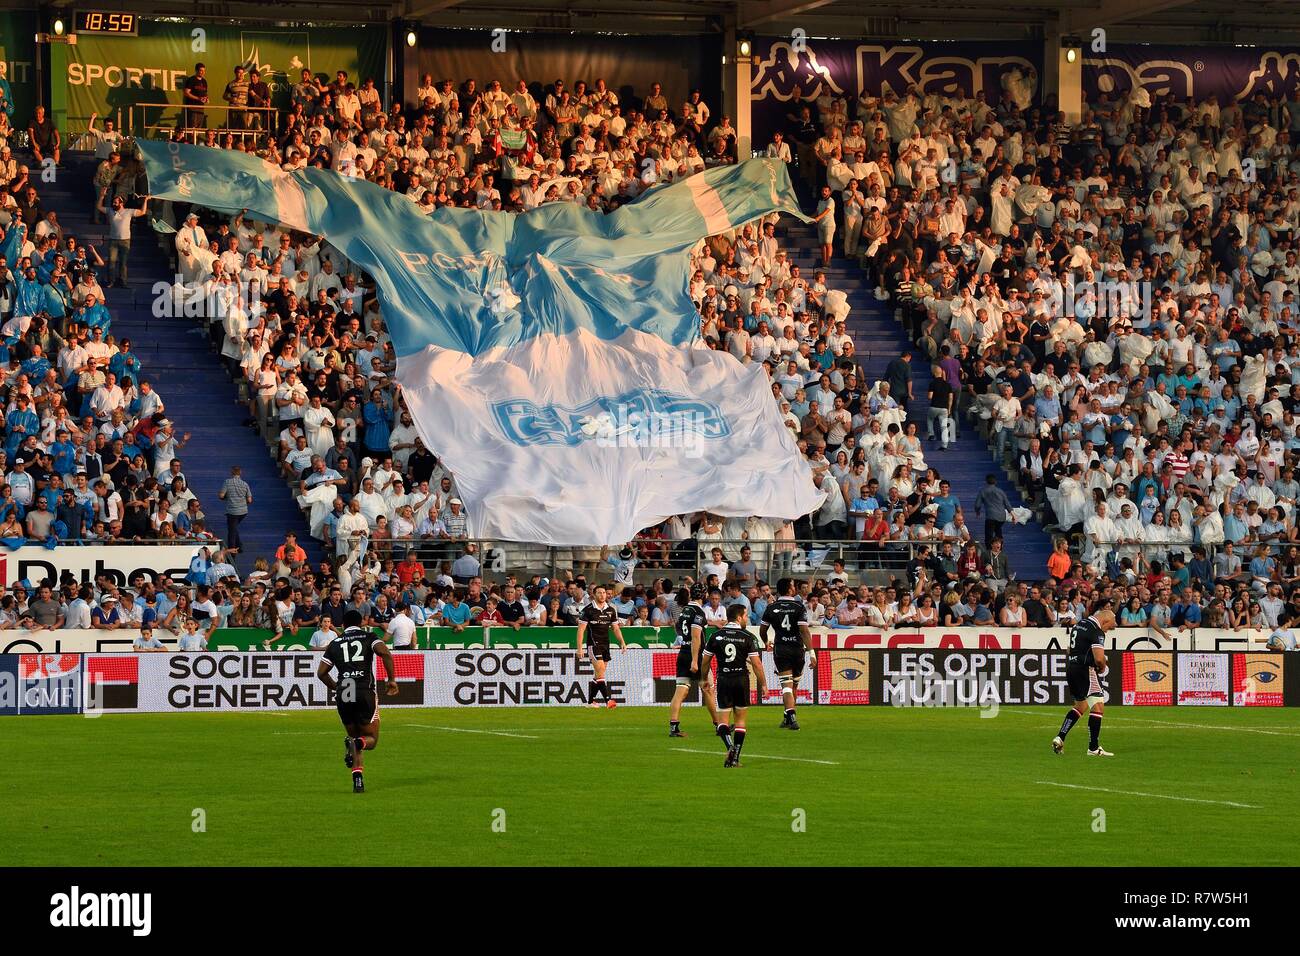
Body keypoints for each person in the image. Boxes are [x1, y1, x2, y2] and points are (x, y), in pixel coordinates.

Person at [316, 609, 399, 793]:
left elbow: (321, 673)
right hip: (364, 689)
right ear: (361, 622)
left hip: (345, 688)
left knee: (355, 737)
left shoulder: (335, 642)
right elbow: (385, 653)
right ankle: (357, 746)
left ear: (343, 625)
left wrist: (337, 687)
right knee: (370, 740)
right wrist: (391, 679)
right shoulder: (369, 636)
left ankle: (358, 781)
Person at [700, 603, 767, 768]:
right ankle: (735, 756)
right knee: (740, 721)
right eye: (745, 616)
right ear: (738, 617)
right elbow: (757, 664)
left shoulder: (716, 636)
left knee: (722, 720)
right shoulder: (747, 636)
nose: (746, 619)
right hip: (741, 679)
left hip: (723, 679)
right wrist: (763, 684)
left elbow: (706, 661)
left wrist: (703, 679)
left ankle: (729, 746)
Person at [1053, 608, 1117, 757]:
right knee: (1098, 707)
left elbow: (1070, 649)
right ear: (1105, 621)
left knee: (1081, 706)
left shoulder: (1080, 624)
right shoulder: (1096, 630)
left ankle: (1060, 737)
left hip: (1072, 668)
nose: (1107, 631)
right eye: (1109, 627)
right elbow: (1099, 658)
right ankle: (1093, 748)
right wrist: (1102, 667)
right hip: (1085, 670)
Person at [760, 576, 815, 730]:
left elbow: (762, 630)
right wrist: (812, 653)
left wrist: (765, 642)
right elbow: (804, 631)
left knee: (787, 687)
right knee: (793, 687)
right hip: (797, 650)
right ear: (790, 589)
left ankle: (788, 716)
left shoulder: (771, 607)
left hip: (781, 649)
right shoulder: (799, 607)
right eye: (793, 586)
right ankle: (791, 717)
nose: (794, 587)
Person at [667, 583, 718, 737]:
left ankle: (673, 727)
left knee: (680, 691)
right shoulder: (698, 612)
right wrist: (695, 661)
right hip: (694, 655)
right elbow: (696, 637)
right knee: (708, 689)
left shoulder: (684, 611)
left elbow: (679, 628)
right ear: (704, 595)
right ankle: (719, 725)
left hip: (683, 652)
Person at [575, 584, 626, 708]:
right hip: (593, 644)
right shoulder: (588, 610)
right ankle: (608, 700)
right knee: (601, 673)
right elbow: (581, 630)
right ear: (594, 594)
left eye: (604, 593)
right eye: (599, 593)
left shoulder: (611, 610)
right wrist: (580, 648)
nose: (602, 595)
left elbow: (615, 628)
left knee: (599, 674)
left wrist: (622, 642)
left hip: (605, 645)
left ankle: (590, 702)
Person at [217, 465, 252, 553]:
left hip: (232, 511)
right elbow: (249, 500)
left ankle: (232, 551)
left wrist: (226, 497)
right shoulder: (245, 484)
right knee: (233, 528)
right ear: (240, 473)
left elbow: (221, 495)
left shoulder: (227, 482)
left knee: (231, 532)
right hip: (243, 511)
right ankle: (239, 546)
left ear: (232, 472)